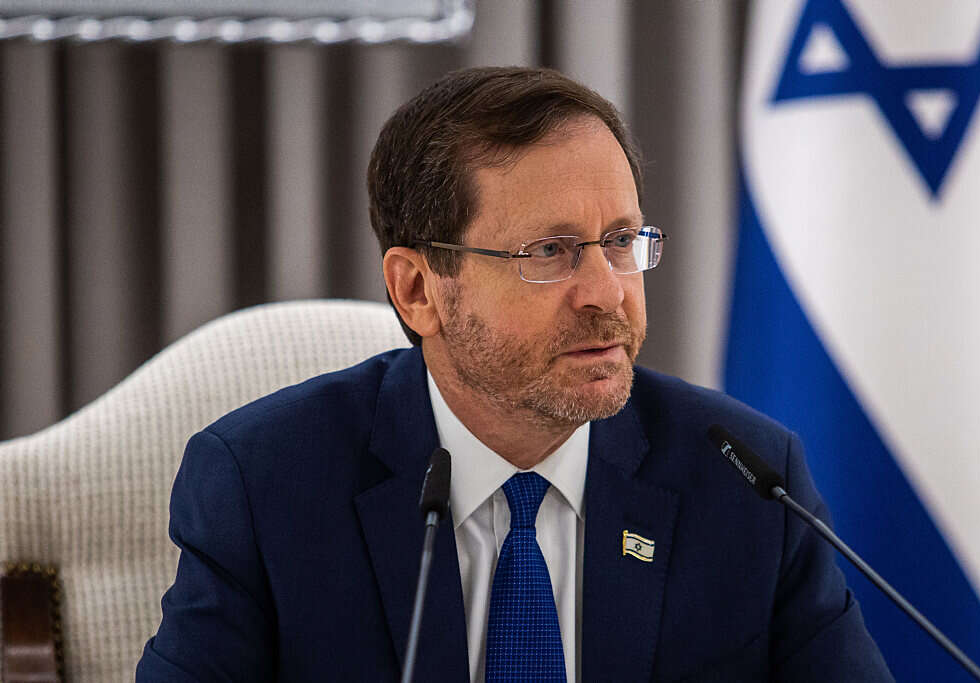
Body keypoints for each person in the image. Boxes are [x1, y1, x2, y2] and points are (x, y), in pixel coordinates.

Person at [137, 66, 893, 682]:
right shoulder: (265, 485)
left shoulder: (748, 482)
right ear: (418, 290)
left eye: (621, 240)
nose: (607, 293)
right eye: (549, 252)